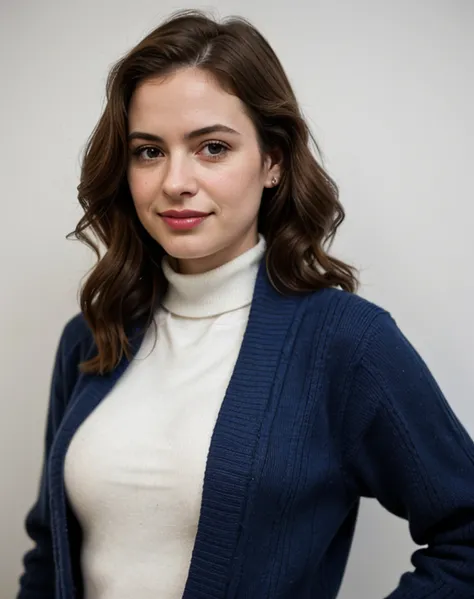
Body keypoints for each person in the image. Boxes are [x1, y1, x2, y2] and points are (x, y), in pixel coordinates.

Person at [17, 9, 474, 599]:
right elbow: (50, 553)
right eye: (149, 151)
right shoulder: (94, 335)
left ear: (273, 161)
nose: (176, 181)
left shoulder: (344, 342)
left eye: (211, 147)